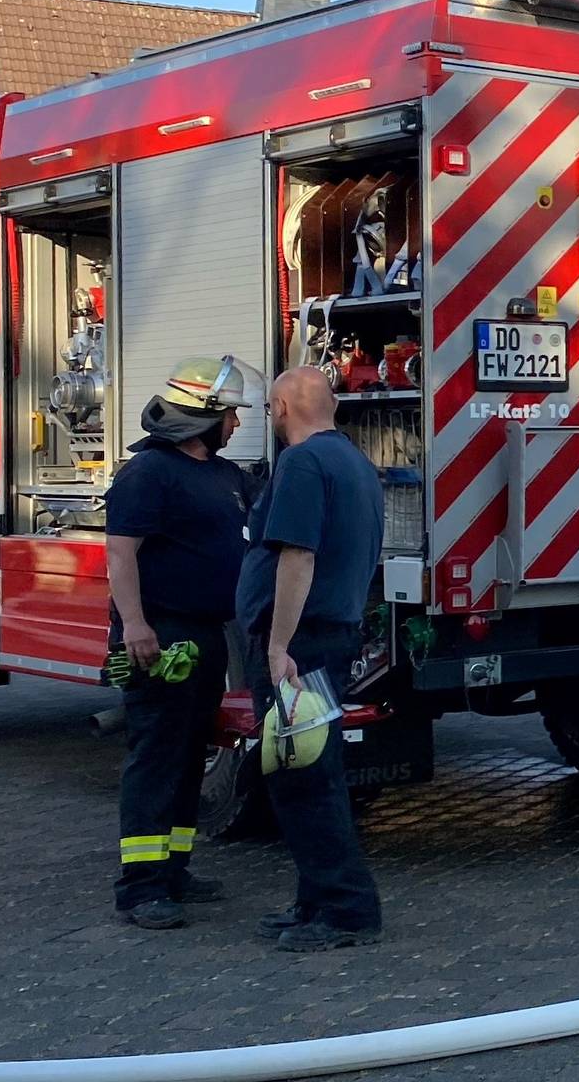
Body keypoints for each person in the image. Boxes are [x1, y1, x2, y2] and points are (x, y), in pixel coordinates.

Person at [236, 369, 388, 952]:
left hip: (300, 648)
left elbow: (296, 557)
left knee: (303, 778)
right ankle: (315, 901)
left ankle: (346, 909)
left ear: (280, 408)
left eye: (269, 409)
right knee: (309, 771)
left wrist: (277, 647)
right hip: (331, 634)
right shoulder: (352, 462)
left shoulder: (301, 464)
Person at [105, 355, 258, 929]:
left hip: (206, 636)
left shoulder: (223, 476)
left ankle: (174, 869)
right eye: (231, 415)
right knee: (157, 757)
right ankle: (141, 887)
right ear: (204, 415)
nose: (237, 425)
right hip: (160, 637)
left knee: (192, 754)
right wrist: (137, 626)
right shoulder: (148, 474)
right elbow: (122, 556)